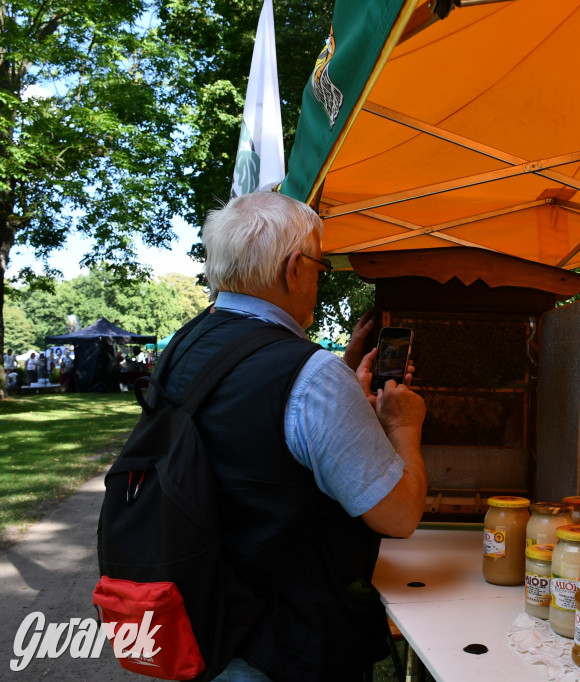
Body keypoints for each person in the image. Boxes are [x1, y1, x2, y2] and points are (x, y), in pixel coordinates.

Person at [151, 191, 426, 681]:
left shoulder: (185, 344)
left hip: (205, 620)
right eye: (320, 267)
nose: (318, 281)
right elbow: (399, 515)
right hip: (286, 645)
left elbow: (248, 440)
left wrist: (344, 387)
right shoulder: (311, 376)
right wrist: (403, 425)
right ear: (294, 267)